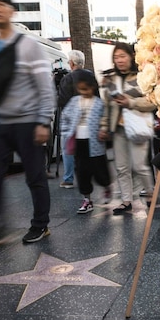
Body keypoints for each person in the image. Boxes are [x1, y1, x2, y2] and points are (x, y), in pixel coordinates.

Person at [0, 0, 56, 244]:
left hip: (27, 121)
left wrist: (42, 120)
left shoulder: (28, 45)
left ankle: (40, 224)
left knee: (34, 175)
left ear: (11, 10)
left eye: (1, 4)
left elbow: (44, 85)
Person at [99, 42, 156, 215]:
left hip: (137, 127)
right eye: (116, 57)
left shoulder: (142, 77)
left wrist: (130, 102)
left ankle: (151, 195)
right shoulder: (110, 80)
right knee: (121, 168)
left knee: (140, 166)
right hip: (118, 130)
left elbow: (152, 102)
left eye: (123, 56)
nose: (119, 60)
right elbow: (107, 106)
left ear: (131, 56)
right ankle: (126, 201)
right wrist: (104, 126)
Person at [59, 69, 110, 214]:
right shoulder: (74, 102)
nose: (83, 92)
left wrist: (104, 129)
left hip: (95, 143)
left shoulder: (99, 103)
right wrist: (66, 133)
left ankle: (106, 185)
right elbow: (65, 117)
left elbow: (105, 119)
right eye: (80, 89)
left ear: (92, 87)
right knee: (82, 171)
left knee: (99, 170)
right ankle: (87, 199)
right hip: (79, 142)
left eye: (86, 89)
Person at [56, 49, 88, 189]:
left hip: (70, 119)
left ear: (71, 63)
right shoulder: (90, 76)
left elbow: (62, 100)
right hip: (87, 118)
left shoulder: (67, 79)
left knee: (68, 149)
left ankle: (68, 178)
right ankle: (86, 177)